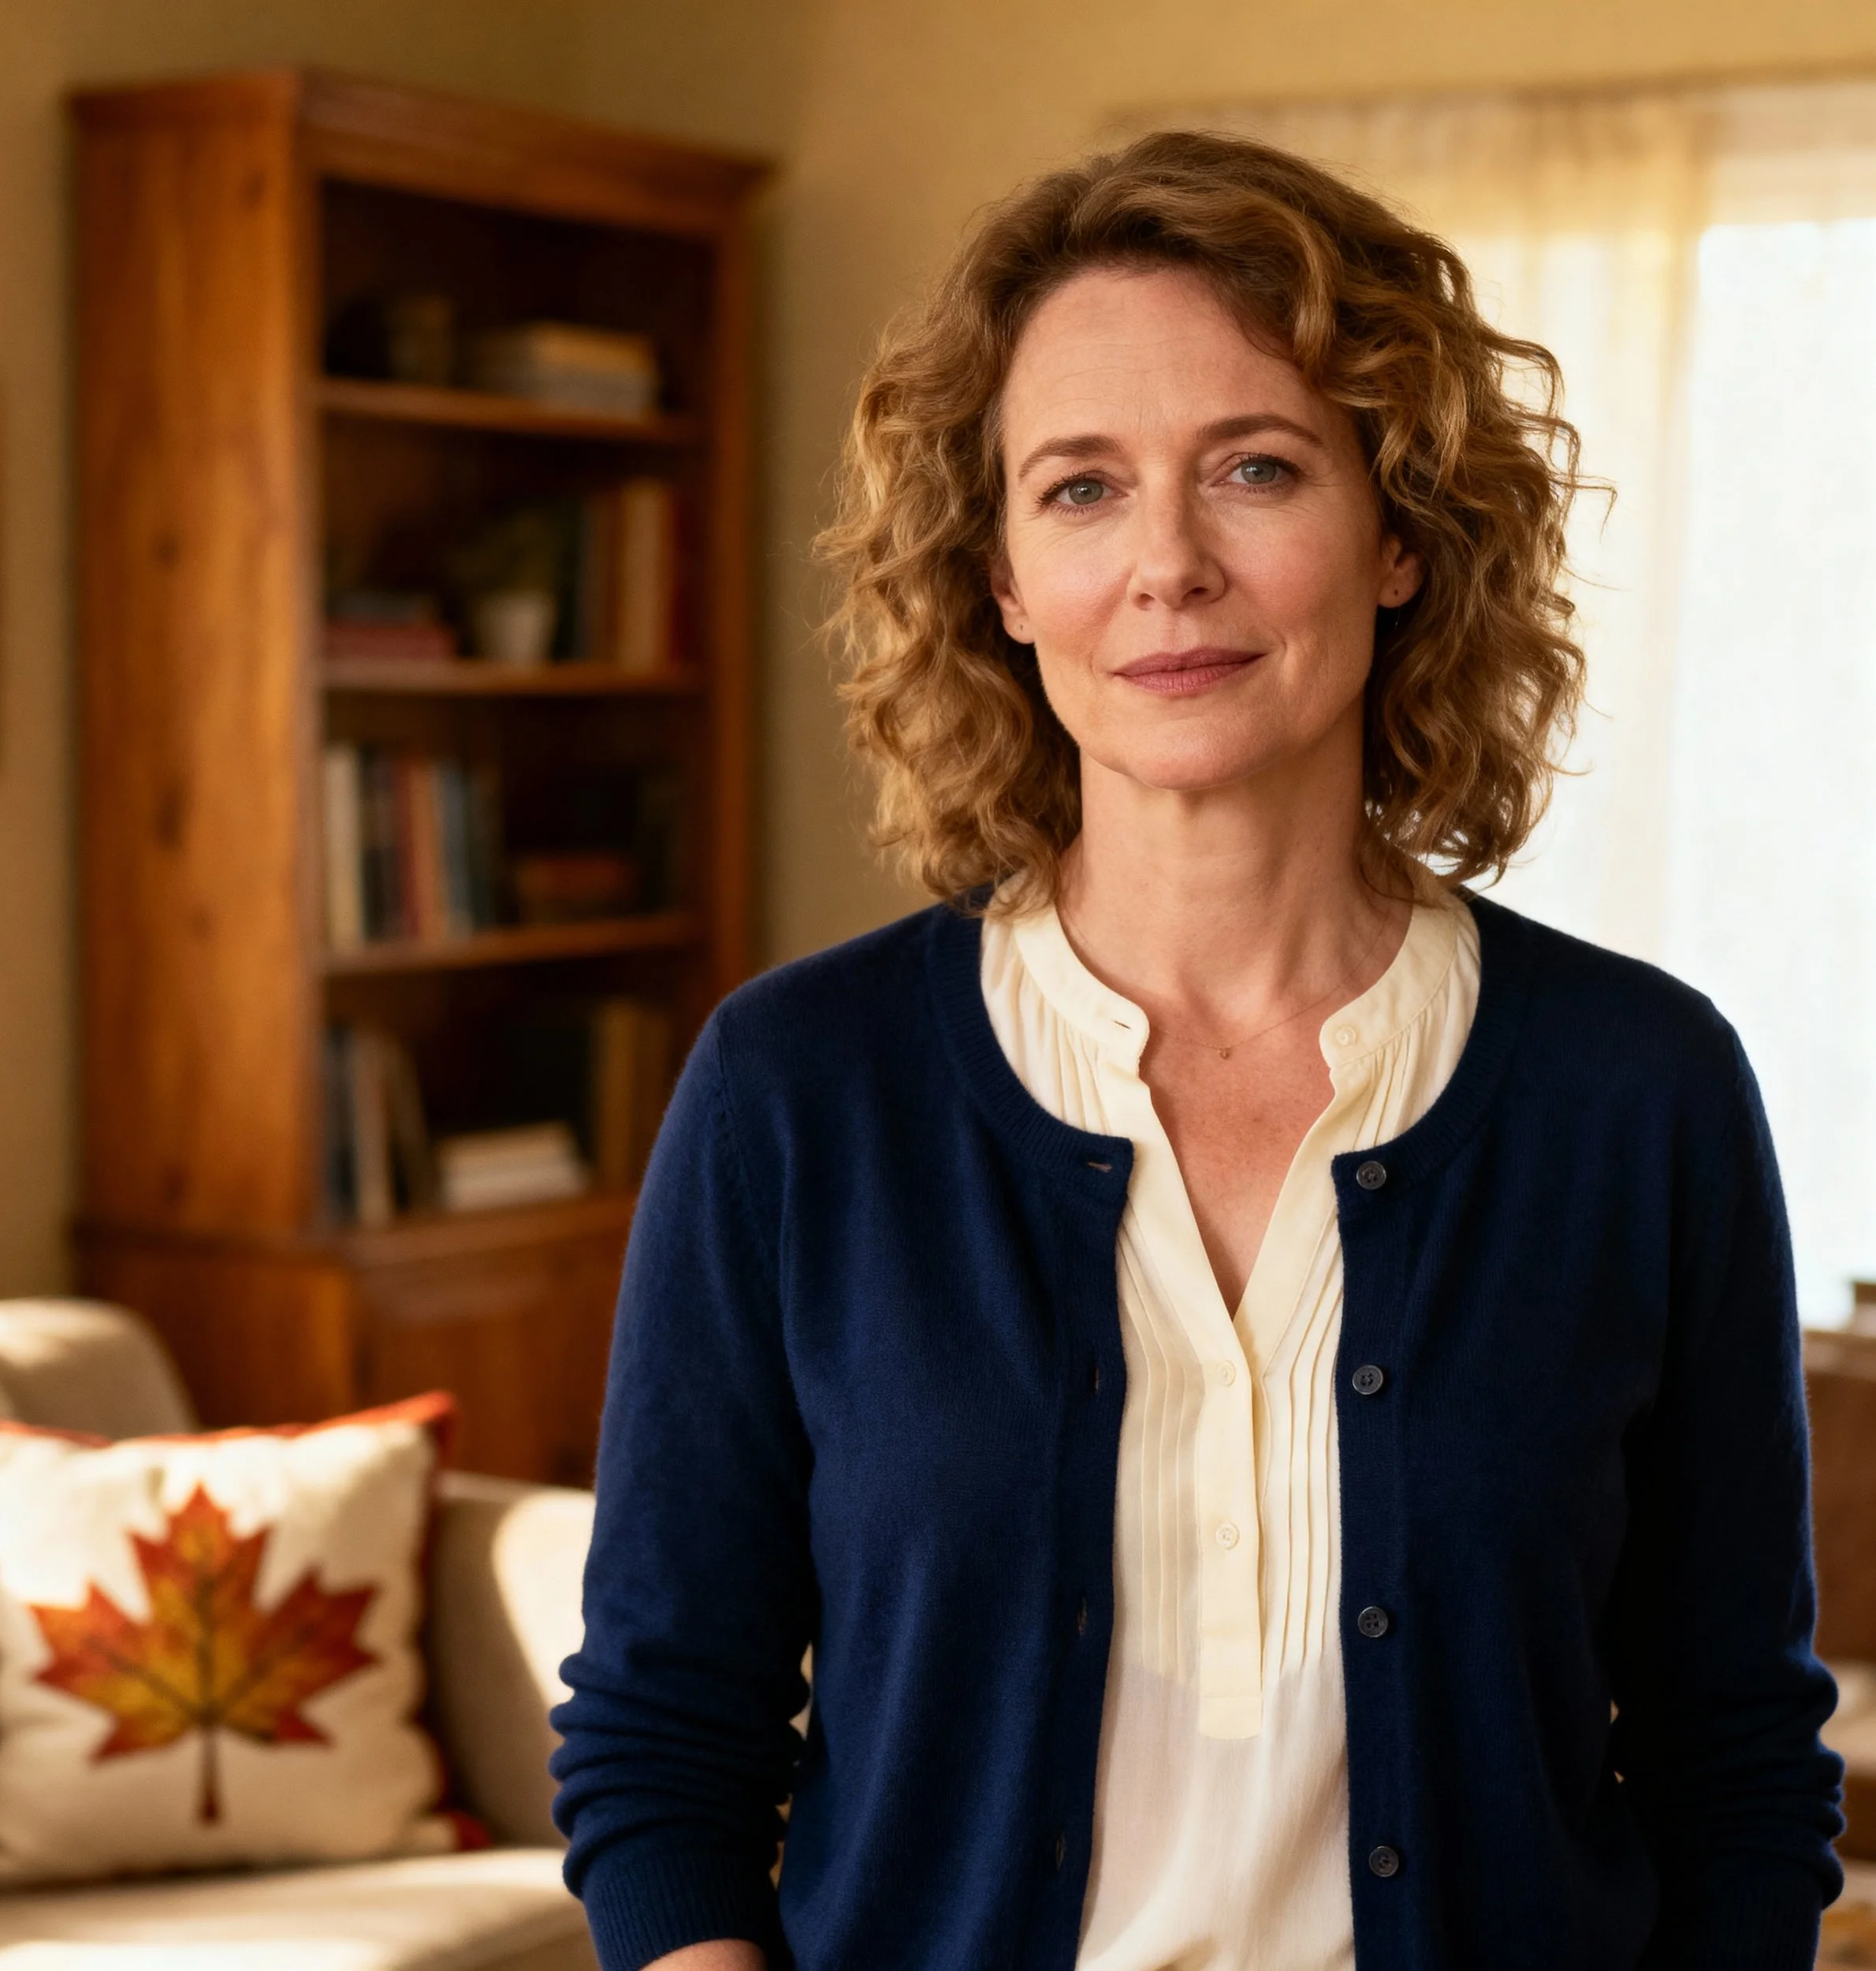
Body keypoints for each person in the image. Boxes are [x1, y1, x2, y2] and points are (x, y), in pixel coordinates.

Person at [551, 131, 1844, 1971]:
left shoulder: (1637, 1092)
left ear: (1398, 534)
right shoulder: (795, 1090)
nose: (1166, 564)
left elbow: (1731, 1762)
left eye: (1253, 467)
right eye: (1078, 488)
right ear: (995, 577)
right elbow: (663, 1739)